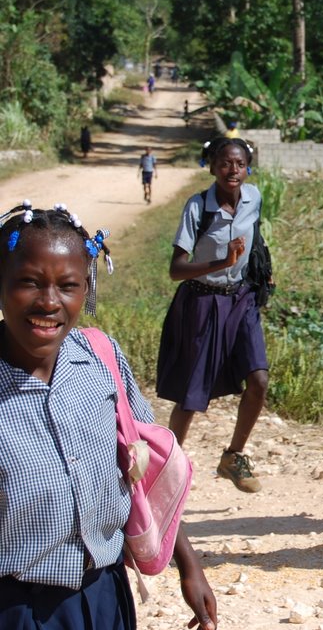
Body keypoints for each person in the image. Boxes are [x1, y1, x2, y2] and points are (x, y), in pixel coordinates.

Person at [0, 201, 217, 629]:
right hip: (14, 607)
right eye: (28, 282)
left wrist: (189, 565)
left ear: (87, 288)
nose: (49, 302)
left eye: (68, 285)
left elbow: (144, 474)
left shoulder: (100, 359)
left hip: (104, 597)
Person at [156, 137, 269, 493]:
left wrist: (260, 271)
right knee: (191, 395)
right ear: (211, 166)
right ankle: (164, 473)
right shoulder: (198, 208)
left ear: (247, 166)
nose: (232, 170)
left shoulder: (254, 198)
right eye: (224, 163)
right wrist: (223, 261)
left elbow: (256, 240)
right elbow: (177, 269)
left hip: (241, 299)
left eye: (239, 164)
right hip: (202, 302)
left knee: (260, 380)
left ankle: (233, 457)